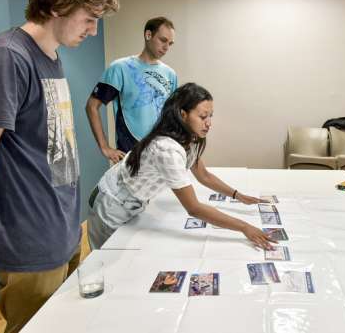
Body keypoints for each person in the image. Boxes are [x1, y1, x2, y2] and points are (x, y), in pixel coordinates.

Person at [0, 0, 118, 332]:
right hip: (28, 238)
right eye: (89, 18)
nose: (93, 30)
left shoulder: (50, 56)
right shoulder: (7, 57)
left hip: (62, 229)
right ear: (58, 6)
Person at [87, 83, 276, 250]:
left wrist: (237, 195)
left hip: (132, 200)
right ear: (183, 115)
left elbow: (204, 176)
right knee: (105, 263)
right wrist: (245, 227)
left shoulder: (190, 139)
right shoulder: (166, 148)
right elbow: (193, 208)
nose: (209, 123)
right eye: (203, 116)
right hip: (111, 202)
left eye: (210, 116)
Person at [86, 17, 178, 163]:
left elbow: (173, 116)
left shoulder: (170, 75)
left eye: (170, 43)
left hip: (162, 156)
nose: (166, 47)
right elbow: (92, 106)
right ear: (148, 35)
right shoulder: (120, 68)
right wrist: (104, 147)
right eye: (163, 40)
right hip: (130, 156)